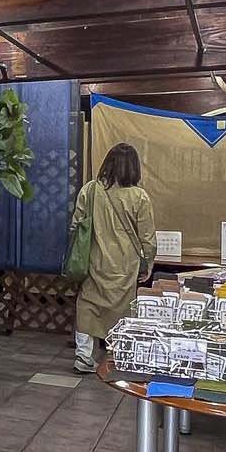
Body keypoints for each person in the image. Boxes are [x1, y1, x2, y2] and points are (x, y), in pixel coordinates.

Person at [72, 143, 156, 374]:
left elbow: (76, 225)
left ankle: (83, 355)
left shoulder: (89, 190)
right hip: (125, 264)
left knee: (87, 306)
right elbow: (147, 236)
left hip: (94, 259)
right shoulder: (140, 197)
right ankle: (117, 355)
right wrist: (148, 262)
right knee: (122, 309)